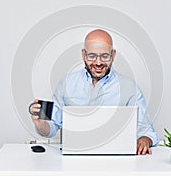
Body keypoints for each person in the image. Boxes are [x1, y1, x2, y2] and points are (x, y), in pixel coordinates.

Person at [30, 29, 159, 155]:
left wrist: (144, 140)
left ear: (113, 55)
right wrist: (41, 124)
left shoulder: (129, 87)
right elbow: (51, 128)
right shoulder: (67, 83)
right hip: (74, 160)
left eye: (104, 56)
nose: (98, 62)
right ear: (83, 55)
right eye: (92, 56)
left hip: (116, 161)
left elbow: (147, 131)